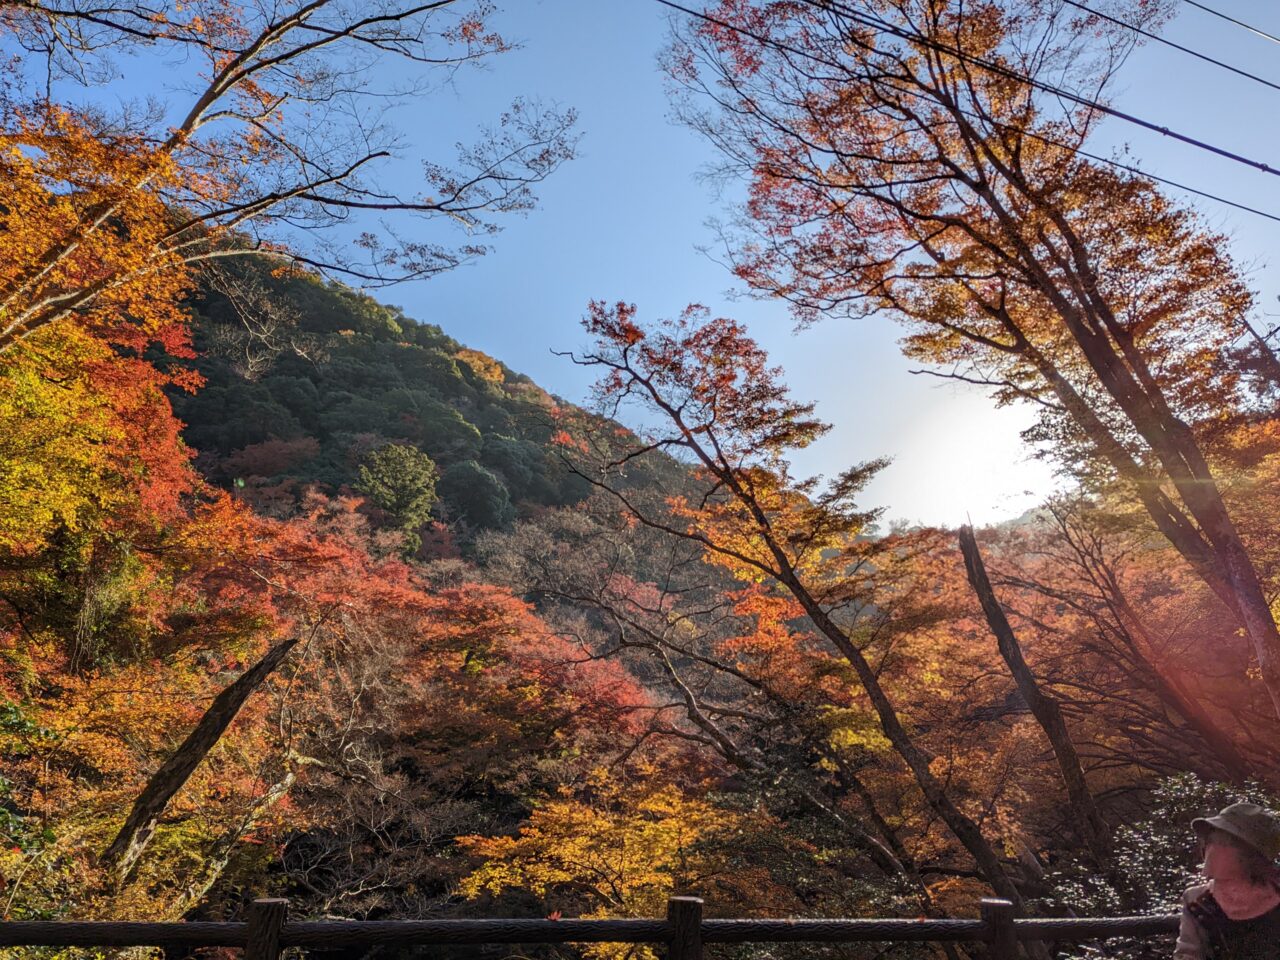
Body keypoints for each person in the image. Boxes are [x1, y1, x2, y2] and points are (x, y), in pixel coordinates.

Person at [1174, 801, 1280, 960]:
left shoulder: (1276, 891)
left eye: (1225, 842)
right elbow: (1188, 954)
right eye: (1211, 840)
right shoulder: (1197, 901)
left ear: (1251, 854)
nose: (1213, 849)